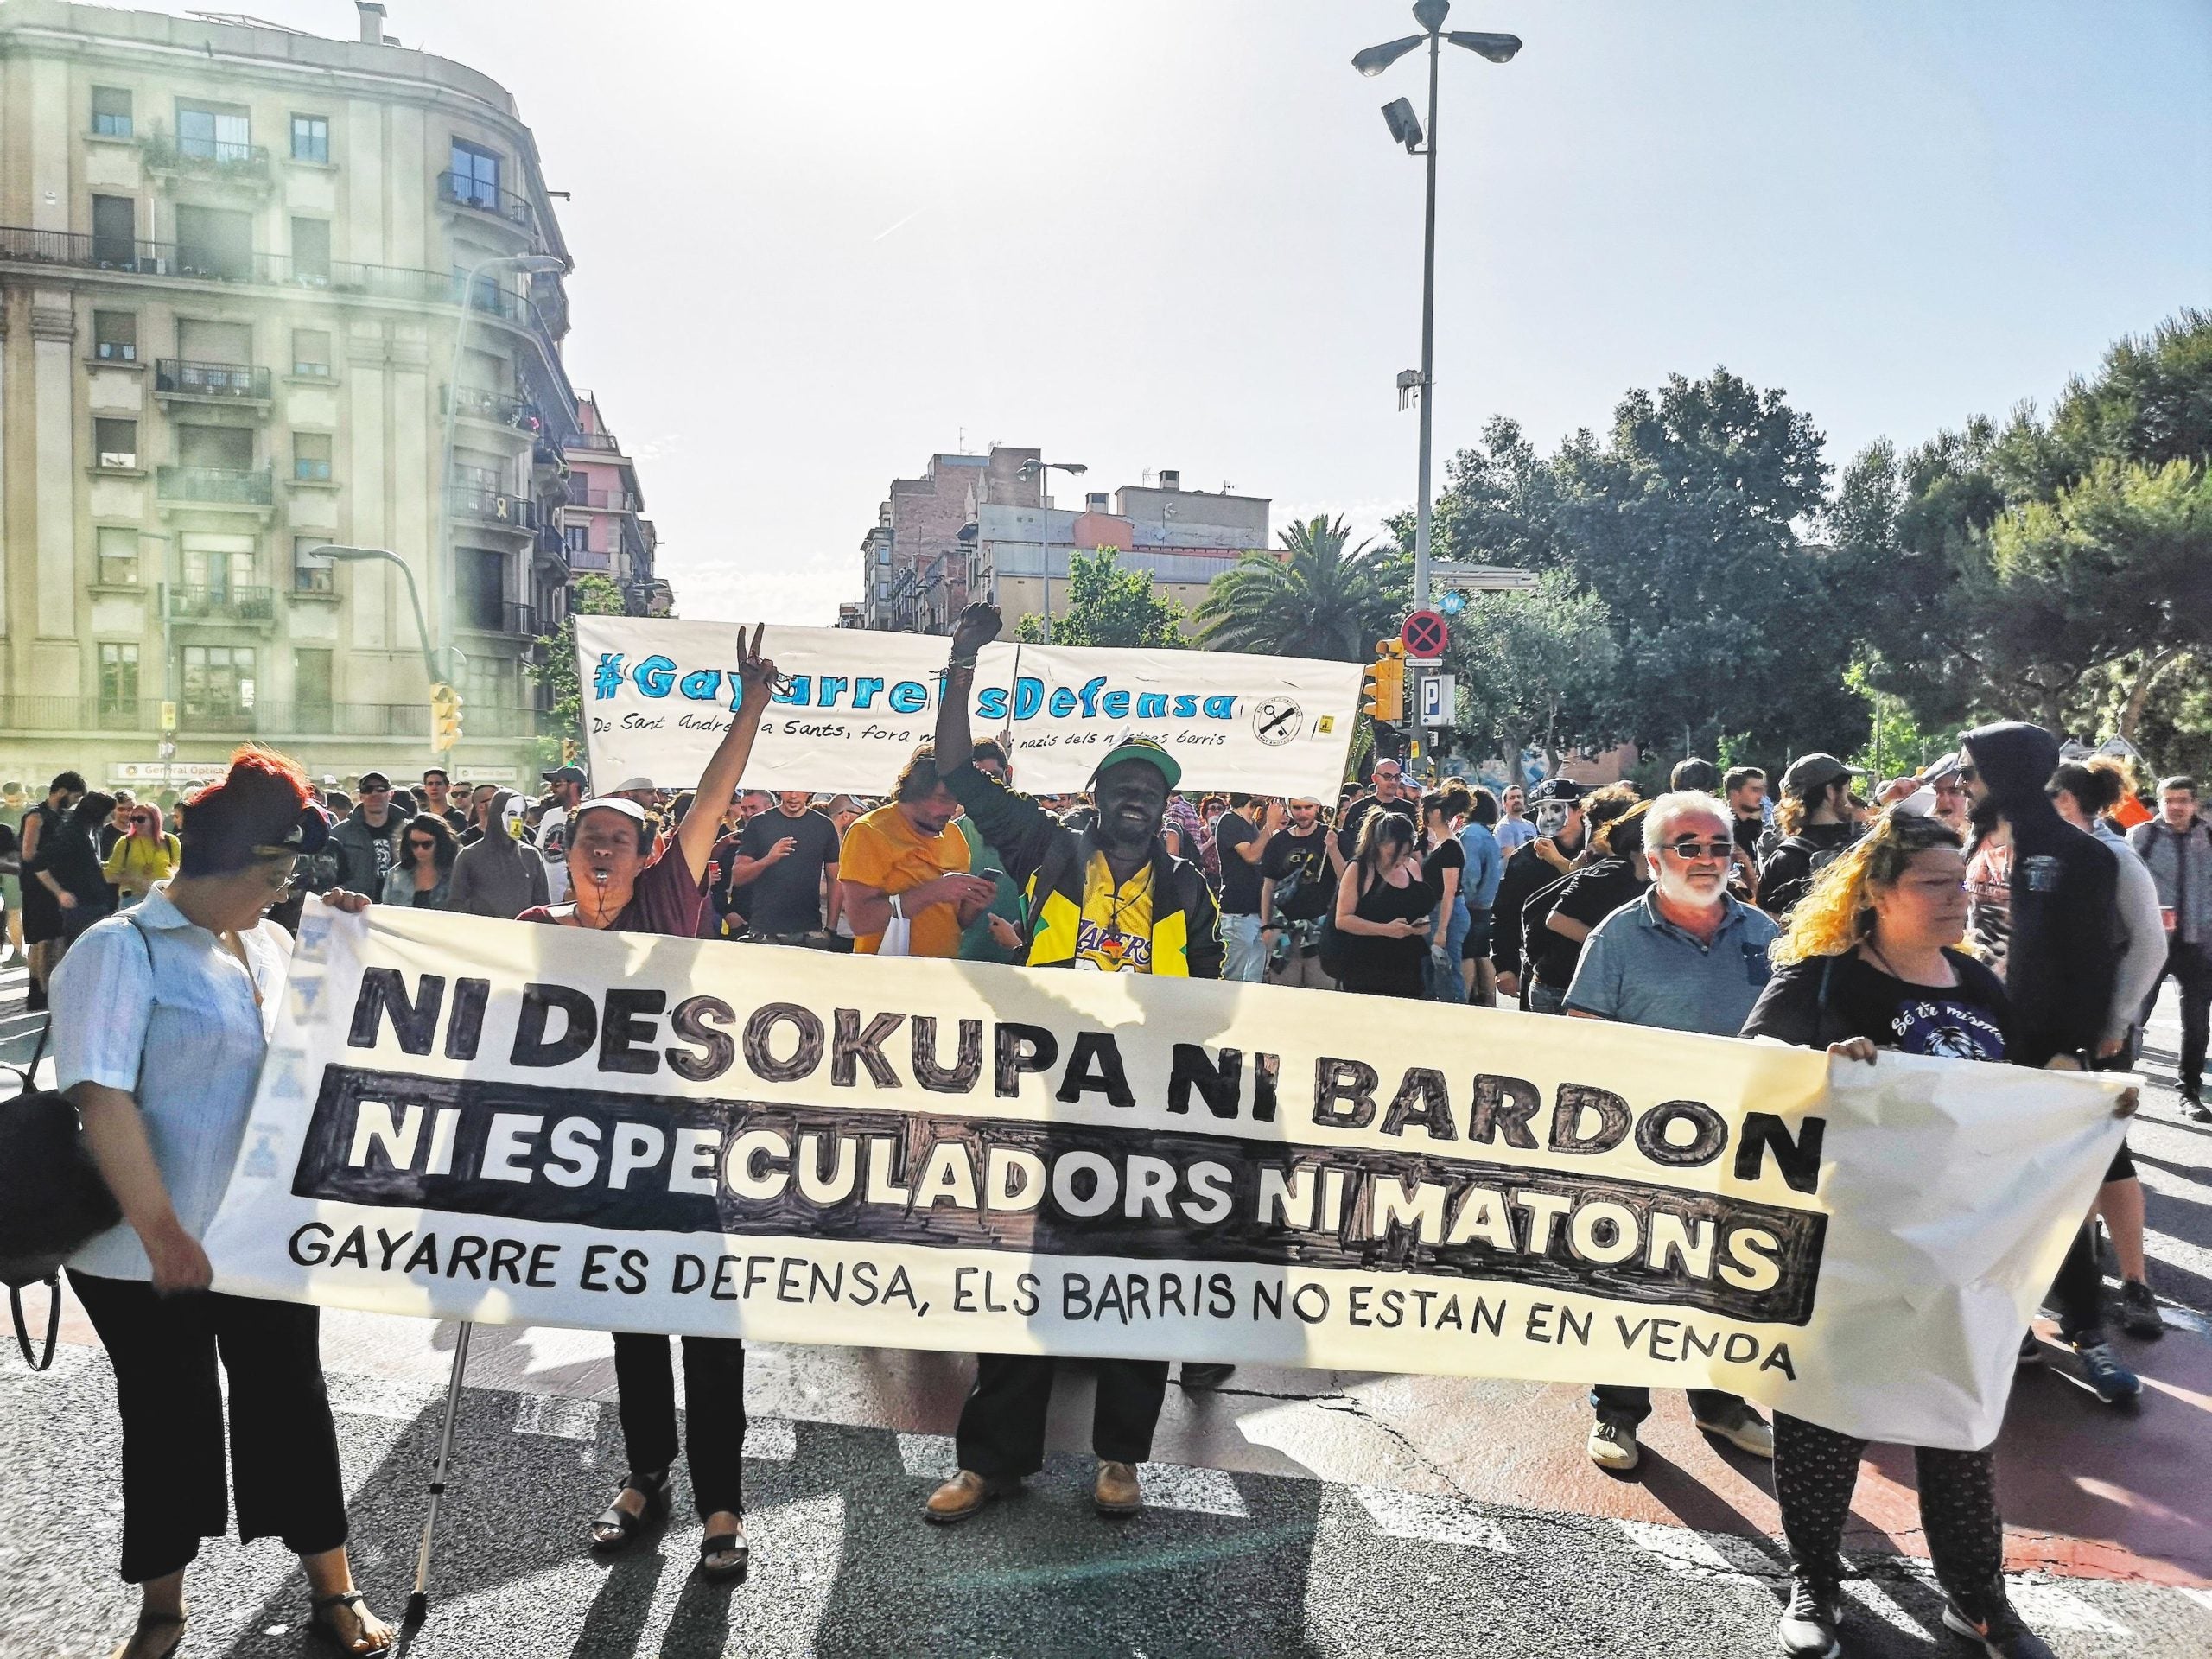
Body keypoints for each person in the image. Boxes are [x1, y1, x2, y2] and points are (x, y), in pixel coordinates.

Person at [1741, 808, 2126, 1659]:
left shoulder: (1981, 987)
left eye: (1963, 882)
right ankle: (1814, 1581)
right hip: (1839, 1253)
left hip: (1959, 1254)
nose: (1960, 898)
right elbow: (1753, 1073)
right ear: (1877, 892)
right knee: (1820, 1425)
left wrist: (2083, 1098)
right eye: (1936, 884)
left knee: (1956, 1433)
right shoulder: (1825, 981)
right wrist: (1819, 1072)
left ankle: (1976, 1600)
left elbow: (2023, 1090)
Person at [52, 747, 394, 1659]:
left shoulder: (273, 945)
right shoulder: (117, 950)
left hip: (262, 1238)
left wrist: (349, 945)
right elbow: (101, 1095)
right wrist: (164, 1232)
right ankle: (162, 1607)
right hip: (139, 1250)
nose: (284, 892)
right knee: (167, 1417)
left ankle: (334, 1585)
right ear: (240, 862)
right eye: (279, 874)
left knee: (291, 1401)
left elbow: (332, 1051)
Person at [920, 601, 1224, 1525]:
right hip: (1049, 1100)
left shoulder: (1190, 894)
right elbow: (952, 772)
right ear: (1095, 795)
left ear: (1165, 808)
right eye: (1120, 783)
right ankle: (991, 1463)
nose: (1135, 796)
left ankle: (1121, 1457)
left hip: (1143, 1116)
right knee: (1028, 1276)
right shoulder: (1047, 847)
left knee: (1136, 1281)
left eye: (1151, 787)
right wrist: (962, 663)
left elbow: (1211, 1007)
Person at [518, 626, 780, 1582]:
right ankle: (645, 1477)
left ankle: (720, 1505)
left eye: (619, 840)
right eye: (588, 836)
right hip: (598, 1159)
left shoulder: (669, 908)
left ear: (645, 858)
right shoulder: (535, 929)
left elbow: (711, 800)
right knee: (632, 1323)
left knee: (708, 1330)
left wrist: (747, 704)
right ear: (568, 849)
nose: (600, 848)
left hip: (684, 1152)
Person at [1564, 792, 1779, 1472]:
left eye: (1721, 845)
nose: (1709, 858)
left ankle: (1723, 1405)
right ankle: (1618, 1413)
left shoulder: (1765, 934)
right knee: (1636, 1272)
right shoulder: (1618, 938)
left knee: (1729, 1274)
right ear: (1653, 860)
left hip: (1740, 1144)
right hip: (1641, 1145)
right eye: (1690, 846)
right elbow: (1582, 1036)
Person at [1958, 721, 2138, 1406]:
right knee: (1978, 1197)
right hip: (1969, 1044)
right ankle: (2009, 1329)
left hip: (2046, 1053)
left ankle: (2088, 1333)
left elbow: (2098, 963)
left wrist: (2078, 1046)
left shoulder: (2081, 856)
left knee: (2056, 1199)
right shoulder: (1971, 843)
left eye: (1971, 771)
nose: (1961, 784)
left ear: (2004, 772)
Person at [2049, 761, 2170, 1338]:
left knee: (2107, 1152)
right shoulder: (2053, 852)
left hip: (2099, 1032)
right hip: (2054, 1029)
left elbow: (2149, 945)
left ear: (2069, 800)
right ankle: (2081, 1266)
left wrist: (2117, 1020)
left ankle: (2136, 1281)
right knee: (2068, 1153)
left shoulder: (2113, 856)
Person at [837, 753, 996, 958]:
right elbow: (861, 922)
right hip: (886, 975)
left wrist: (974, 904)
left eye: (957, 800)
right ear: (915, 792)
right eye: (944, 799)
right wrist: (932, 892)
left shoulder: (954, 835)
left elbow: (951, 922)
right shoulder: (869, 832)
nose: (951, 809)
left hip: (942, 972)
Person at [2129, 774, 2210, 1120]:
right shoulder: (2142, 836)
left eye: (2183, 800)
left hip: (2198, 946)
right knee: (2132, 1018)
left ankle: (2189, 1092)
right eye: (2169, 800)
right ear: (2160, 802)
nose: (2176, 807)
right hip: (2151, 944)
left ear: (2195, 803)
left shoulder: (2208, 837)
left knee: (2196, 1025)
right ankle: (2113, 1082)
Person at [1526, 800, 1651, 1014]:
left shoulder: (1650, 883)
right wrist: (1610, 946)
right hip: (1557, 987)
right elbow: (1556, 919)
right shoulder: (1612, 873)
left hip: (1591, 988)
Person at [1491, 779, 1586, 1006]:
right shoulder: (1525, 856)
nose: (1549, 816)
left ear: (1579, 810)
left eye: (1557, 808)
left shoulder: (1597, 852)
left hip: (1588, 971)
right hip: (1538, 970)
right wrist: (1505, 966)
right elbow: (1506, 914)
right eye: (1542, 810)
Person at [719, 790, 842, 946]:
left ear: (809, 791)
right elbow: (738, 877)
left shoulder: (823, 825)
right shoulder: (759, 823)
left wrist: (831, 929)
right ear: (779, 790)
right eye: (788, 789)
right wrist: (768, 860)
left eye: (800, 790)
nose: (794, 795)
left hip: (809, 930)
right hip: (765, 929)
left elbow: (835, 879)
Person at [1333, 810, 1431, 999]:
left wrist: (1421, 923)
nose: (1399, 861)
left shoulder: (1411, 866)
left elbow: (1420, 907)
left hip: (1409, 964)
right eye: (1393, 854)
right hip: (1368, 966)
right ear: (1378, 845)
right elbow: (1342, 919)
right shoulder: (1359, 869)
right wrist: (1386, 929)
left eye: (1405, 854)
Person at [1758, 753, 1864, 918]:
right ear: (1830, 792)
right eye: (1847, 789)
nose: (1849, 800)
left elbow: (1766, 924)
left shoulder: (1780, 859)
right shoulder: (1864, 846)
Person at [19, 769, 87, 1010]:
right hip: (38, 888)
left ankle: (48, 990)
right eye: (75, 797)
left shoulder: (64, 818)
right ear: (62, 792)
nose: (75, 802)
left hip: (59, 887)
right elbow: (29, 854)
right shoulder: (37, 817)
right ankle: (39, 990)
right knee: (42, 942)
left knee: (58, 940)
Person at [956, 742, 1029, 963]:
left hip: (1019, 961)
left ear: (1008, 773)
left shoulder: (1037, 831)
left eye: (993, 776)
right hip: (961, 960)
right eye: (978, 777)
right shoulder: (952, 833)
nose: (985, 786)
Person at [28, 789, 122, 959]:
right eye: (109, 813)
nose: (112, 817)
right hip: (80, 904)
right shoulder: (70, 833)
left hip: (98, 900)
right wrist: (59, 892)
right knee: (80, 954)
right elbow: (37, 863)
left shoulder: (92, 830)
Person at [1259, 795, 1336, 989]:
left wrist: (1333, 848)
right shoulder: (1278, 842)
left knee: (1322, 995)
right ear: (1289, 807)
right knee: (1283, 995)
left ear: (1317, 806)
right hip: (1284, 930)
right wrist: (1265, 926)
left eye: (1308, 807)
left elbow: (1346, 878)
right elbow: (1268, 886)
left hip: (1321, 930)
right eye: (1297, 808)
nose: (1302, 813)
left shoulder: (1332, 836)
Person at [447, 787, 548, 918]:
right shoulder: (469, 856)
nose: (517, 821)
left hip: (521, 934)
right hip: (483, 934)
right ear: (497, 814)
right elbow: (457, 904)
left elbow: (542, 904)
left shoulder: (531, 856)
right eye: (512, 814)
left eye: (521, 814)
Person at [1215, 793, 1286, 982]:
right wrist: (1270, 825)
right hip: (1238, 914)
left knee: (1253, 979)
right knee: (1232, 978)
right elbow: (1251, 855)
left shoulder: (1250, 823)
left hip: (1256, 912)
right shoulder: (1230, 820)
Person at [1420, 788, 1471, 1001]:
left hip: (1447, 913)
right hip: (1440, 911)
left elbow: (1450, 891)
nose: (1421, 814)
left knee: (1448, 974)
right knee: (1439, 974)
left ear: (1436, 813)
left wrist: (1441, 930)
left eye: (1425, 810)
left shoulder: (1450, 846)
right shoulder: (1443, 843)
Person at [327, 771, 409, 899]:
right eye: (368, 789)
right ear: (361, 796)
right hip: (355, 908)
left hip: (398, 908)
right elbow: (328, 877)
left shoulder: (408, 831)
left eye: (381, 789)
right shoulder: (340, 834)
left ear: (390, 794)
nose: (374, 794)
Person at [1458, 788, 1504, 1005]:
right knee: (1482, 952)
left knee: (1467, 953)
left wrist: (1463, 897)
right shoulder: (1487, 834)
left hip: (1471, 904)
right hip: (1486, 903)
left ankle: (1464, 998)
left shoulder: (1471, 834)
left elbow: (1470, 872)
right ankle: (1489, 999)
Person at [1334, 759, 1417, 873]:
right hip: (1365, 870)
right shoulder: (1358, 808)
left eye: (1397, 777)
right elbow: (1348, 844)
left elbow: (1415, 844)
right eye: (1387, 776)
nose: (1393, 782)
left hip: (1399, 871)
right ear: (1375, 779)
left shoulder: (1408, 808)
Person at [104, 801, 181, 907]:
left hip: (162, 899)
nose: (135, 823)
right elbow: (109, 875)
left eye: (140, 819)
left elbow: (178, 869)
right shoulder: (125, 842)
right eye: (132, 819)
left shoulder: (171, 841)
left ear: (154, 820)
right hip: (132, 899)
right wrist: (134, 880)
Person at [534, 763, 588, 905]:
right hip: (547, 900)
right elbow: (541, 853)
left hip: (575, 900)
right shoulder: (550, 815)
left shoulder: (589, 815)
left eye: (557, 783)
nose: (552, 788)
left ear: (574, 786)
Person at [379, 813, 457, 909]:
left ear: (441, 843)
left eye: (426, 844)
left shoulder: (456, 873)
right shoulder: (396, 874)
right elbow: (387, 911)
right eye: (414, 844)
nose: (419, 850)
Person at [419, 767, 467, 836]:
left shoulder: (457, 817)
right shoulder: (422, 818)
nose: (434, 788)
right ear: (425, 789)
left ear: (448, 788)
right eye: (430, 784)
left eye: (438, 784)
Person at [1494, 782, 1538, 853]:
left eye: (1519, 797)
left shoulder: (1530, 825)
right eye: (1512, 798)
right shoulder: (1504, 827)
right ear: (1504, 804)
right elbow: (1510, 858)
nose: (1516, 800)